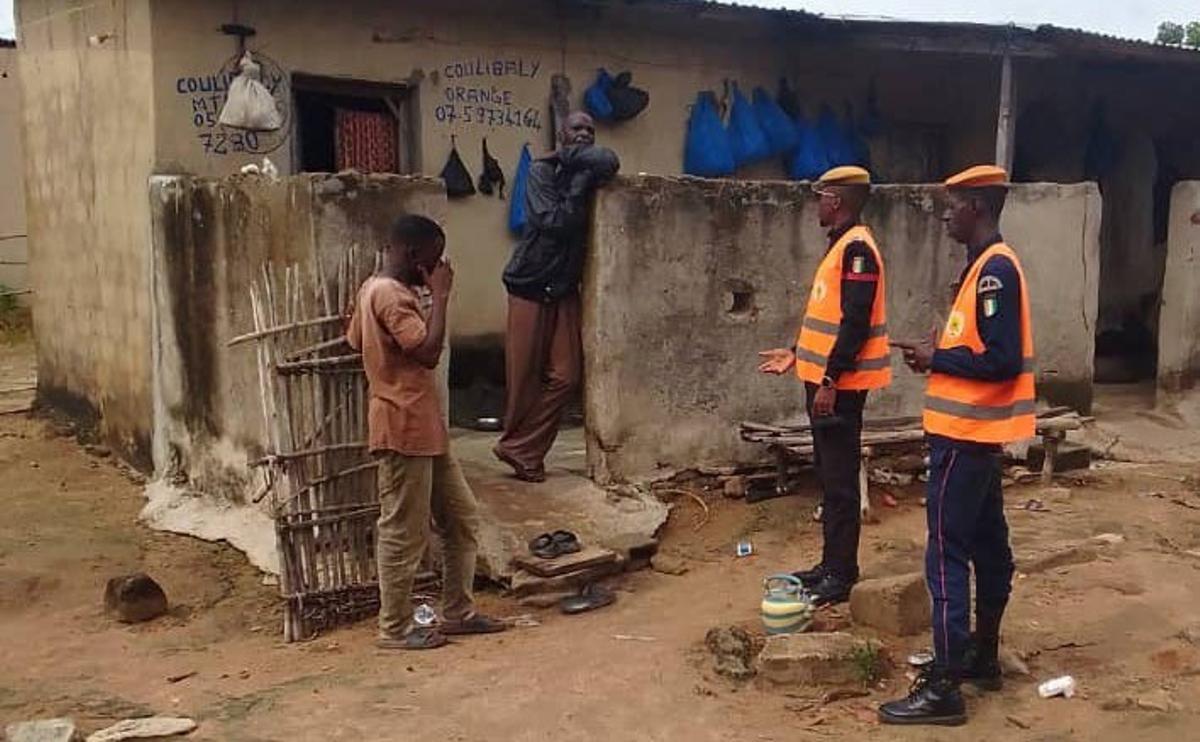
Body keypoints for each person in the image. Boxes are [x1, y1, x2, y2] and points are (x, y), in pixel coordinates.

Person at [880, 165, 1034, 726]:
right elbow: (979, 345)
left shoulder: (994, 271)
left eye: (954, 204)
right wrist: (937, 347)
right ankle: (982, 657)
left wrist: (935, 359)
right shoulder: (981, 270)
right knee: (990, 547)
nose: (946, 214)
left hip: (965, 437)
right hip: (976, 437)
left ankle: (944, 687)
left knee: (945, 555)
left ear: (979, 208)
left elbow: (1000, 359)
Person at [347, 214, 507, 650]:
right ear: (412, 254)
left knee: (460, 518)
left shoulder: (371, 289)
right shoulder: (391, 296)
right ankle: (394, 628)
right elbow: (429, 352)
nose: (435, 269)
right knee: (403, 529)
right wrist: (439, 296)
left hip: (422, 425)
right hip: (403, 425)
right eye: (432, 261)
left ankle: (458, 610)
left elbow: (354, 341)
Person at [758, 165, 892, 606]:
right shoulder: (841, 247)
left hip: (839, 387)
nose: (817, 204)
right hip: (822, 381)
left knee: (839, 481)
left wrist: (831, 379)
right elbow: (830, 317)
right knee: (829, 477)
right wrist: (797, 353)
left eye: (821, 196)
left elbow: (854, 323)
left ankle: (841, 573)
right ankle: (830, 565)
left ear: (836, 201)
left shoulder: (858, 251)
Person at [494, 111, 620, 482]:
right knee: (524, 379)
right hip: (530, 282)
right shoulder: (540, 173)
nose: (584, 134)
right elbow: (554, 223)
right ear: (561, 135)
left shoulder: (584, 166)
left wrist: (575, 165)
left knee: (566, 376)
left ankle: (520, 448)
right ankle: (521, 449)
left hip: (563, 288)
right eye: (576, 129)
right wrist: (579, 180)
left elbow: (610, 160)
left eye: (589, 130)